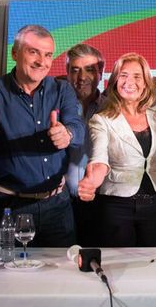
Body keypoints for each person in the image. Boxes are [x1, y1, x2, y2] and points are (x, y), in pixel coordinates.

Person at [0, 25, 84, 248]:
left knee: (61, 280)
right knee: (5, 278)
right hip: (6, 209)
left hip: (57, 206)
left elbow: (76, 127)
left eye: (48, 54)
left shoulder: (62, 90)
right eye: (33, 52)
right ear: (15, 54)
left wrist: (68, 133)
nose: (41, 61)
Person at [78, 53, 156, 247]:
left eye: (137, 76)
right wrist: (92, 180)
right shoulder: (101, 120)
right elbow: (99, 158)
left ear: (146, 82)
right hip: (116, 206)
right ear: (114, 81)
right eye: (123, 75)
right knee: (119, 264)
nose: (130, 82)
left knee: (155, 264)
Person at [63, 43, 105, 246]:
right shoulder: (56, 106)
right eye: (75, 70)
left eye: (89, 69)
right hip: (61, 203)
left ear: (101, 71)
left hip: (102, 202)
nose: (82, 78)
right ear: (67, 72)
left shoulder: (112, 107)